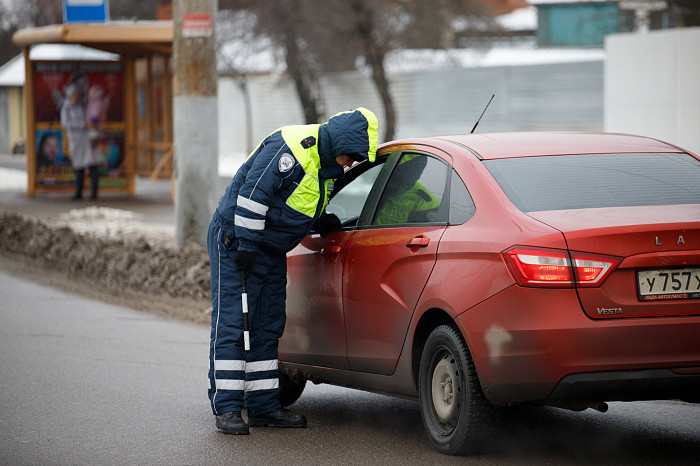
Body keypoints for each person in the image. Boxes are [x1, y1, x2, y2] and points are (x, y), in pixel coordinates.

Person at [207, 108, 378, 435]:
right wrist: (245, 244)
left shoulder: (327, 167)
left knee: (267, 323)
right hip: (236, 239)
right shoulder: (293, 147)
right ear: (342, 142)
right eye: (351, 157)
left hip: (268, 248)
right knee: (233, 321)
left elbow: (290, 204)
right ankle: (227, 408)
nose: (351, 164)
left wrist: (319, 221)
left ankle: (262, 406)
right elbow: (253, 195)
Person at [60, 84, 102, 200]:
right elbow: (65, 124)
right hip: (75, 140)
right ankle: (78, 193)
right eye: (74, 96)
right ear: (70, 96)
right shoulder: (66, 108)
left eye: (77, 96)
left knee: (92, 165)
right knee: (79, 167)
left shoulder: (82, 106)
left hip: (87, 139)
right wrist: (83, 125)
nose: (76, 98)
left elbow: (91, 118)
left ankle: (94, 193)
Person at [374, 154, 440, 225]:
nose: (387, 184)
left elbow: (423, 234)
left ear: (404, 181)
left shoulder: (425, 202)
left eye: (393, 180)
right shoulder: (379, 191)